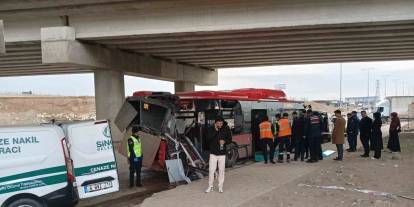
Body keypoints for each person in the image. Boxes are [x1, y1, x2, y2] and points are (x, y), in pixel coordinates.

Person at [205, 116, 232, 193]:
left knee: (221, 170)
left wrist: (225, 142)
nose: (220, 125)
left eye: (221, 123)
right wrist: (215, 131)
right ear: (215, 123)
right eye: (218, 123)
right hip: (213, 153)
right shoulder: (211, 129)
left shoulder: (226, 128)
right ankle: (210, 186)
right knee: (211, 170)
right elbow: (207, 139)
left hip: (222, 153)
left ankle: (220, 186)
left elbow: (230, 140)